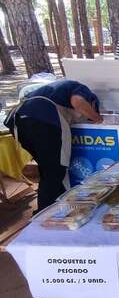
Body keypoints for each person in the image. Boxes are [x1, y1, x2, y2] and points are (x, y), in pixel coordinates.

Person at [5, 80, 102, 212]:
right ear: (93, 101)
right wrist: (97, 118)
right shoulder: (83, 89)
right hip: (43, 122)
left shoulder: (58, 88)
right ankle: (45, 214)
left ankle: (61, 207)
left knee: (48, 170)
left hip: (18, 121)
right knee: (54, 171)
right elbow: (77, 102)